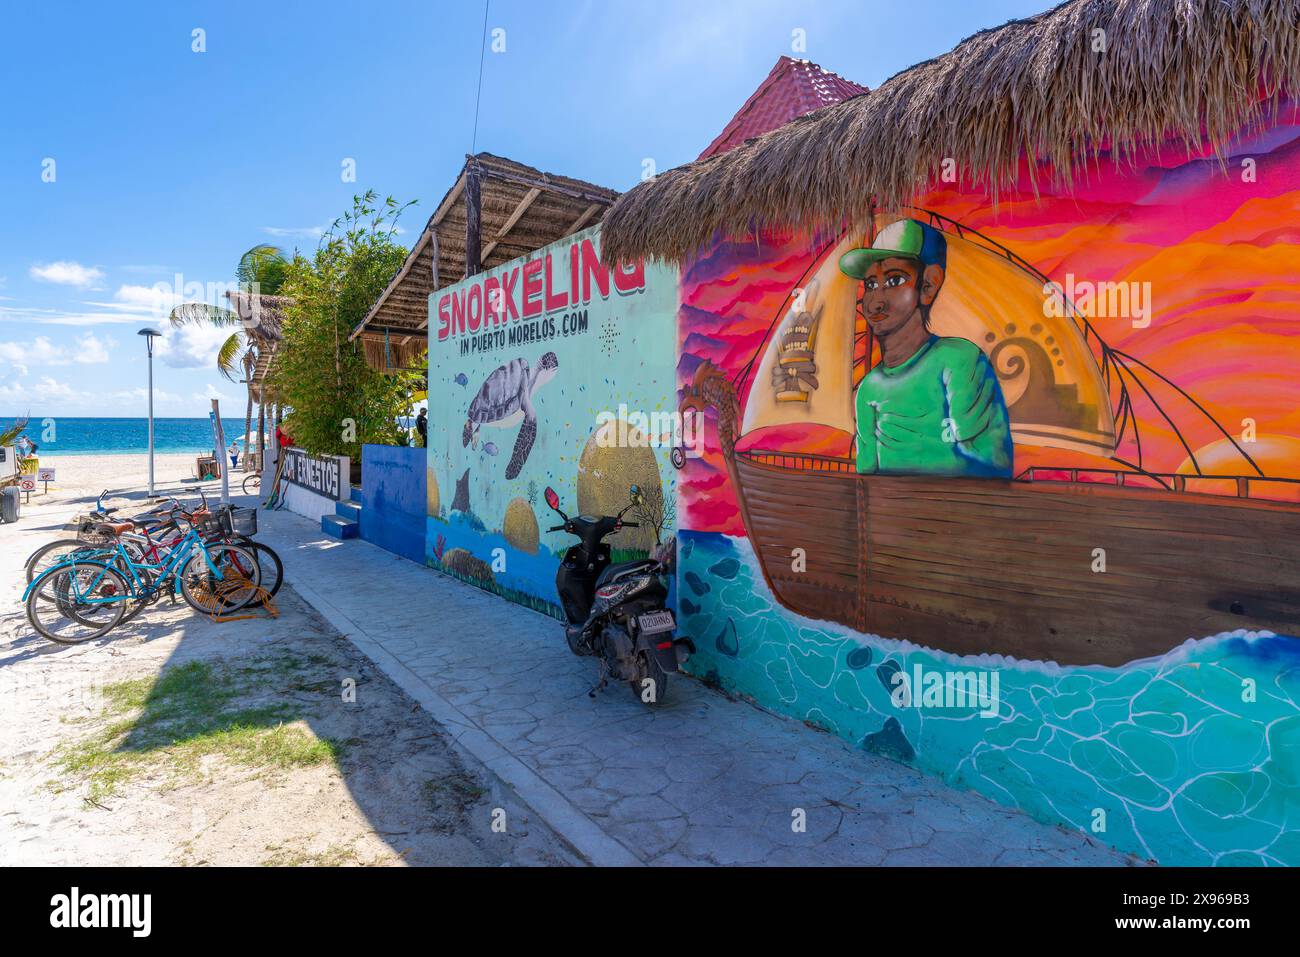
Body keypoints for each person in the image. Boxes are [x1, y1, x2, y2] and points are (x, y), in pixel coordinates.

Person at [838, 219, 1013, 478]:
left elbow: (992, 466)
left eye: (895, 280)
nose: (875, 302)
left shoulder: (959, 361)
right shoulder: (868, 389)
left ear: (928, 284)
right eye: (871, 285)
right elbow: (865, 477)